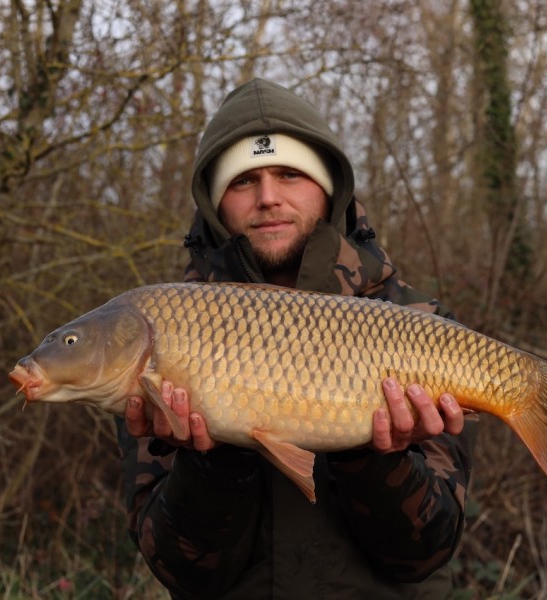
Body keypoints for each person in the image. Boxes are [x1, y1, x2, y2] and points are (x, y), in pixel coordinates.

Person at [116, 78, 479, 599]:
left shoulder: (418, 323)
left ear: (328, 188)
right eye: (243, 181)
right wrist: (213, 456)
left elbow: (426, 554)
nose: (268, 198)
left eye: (289, 174)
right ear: (216, 205)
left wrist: (376, 453)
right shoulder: (167, 331)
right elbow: (181, 572)